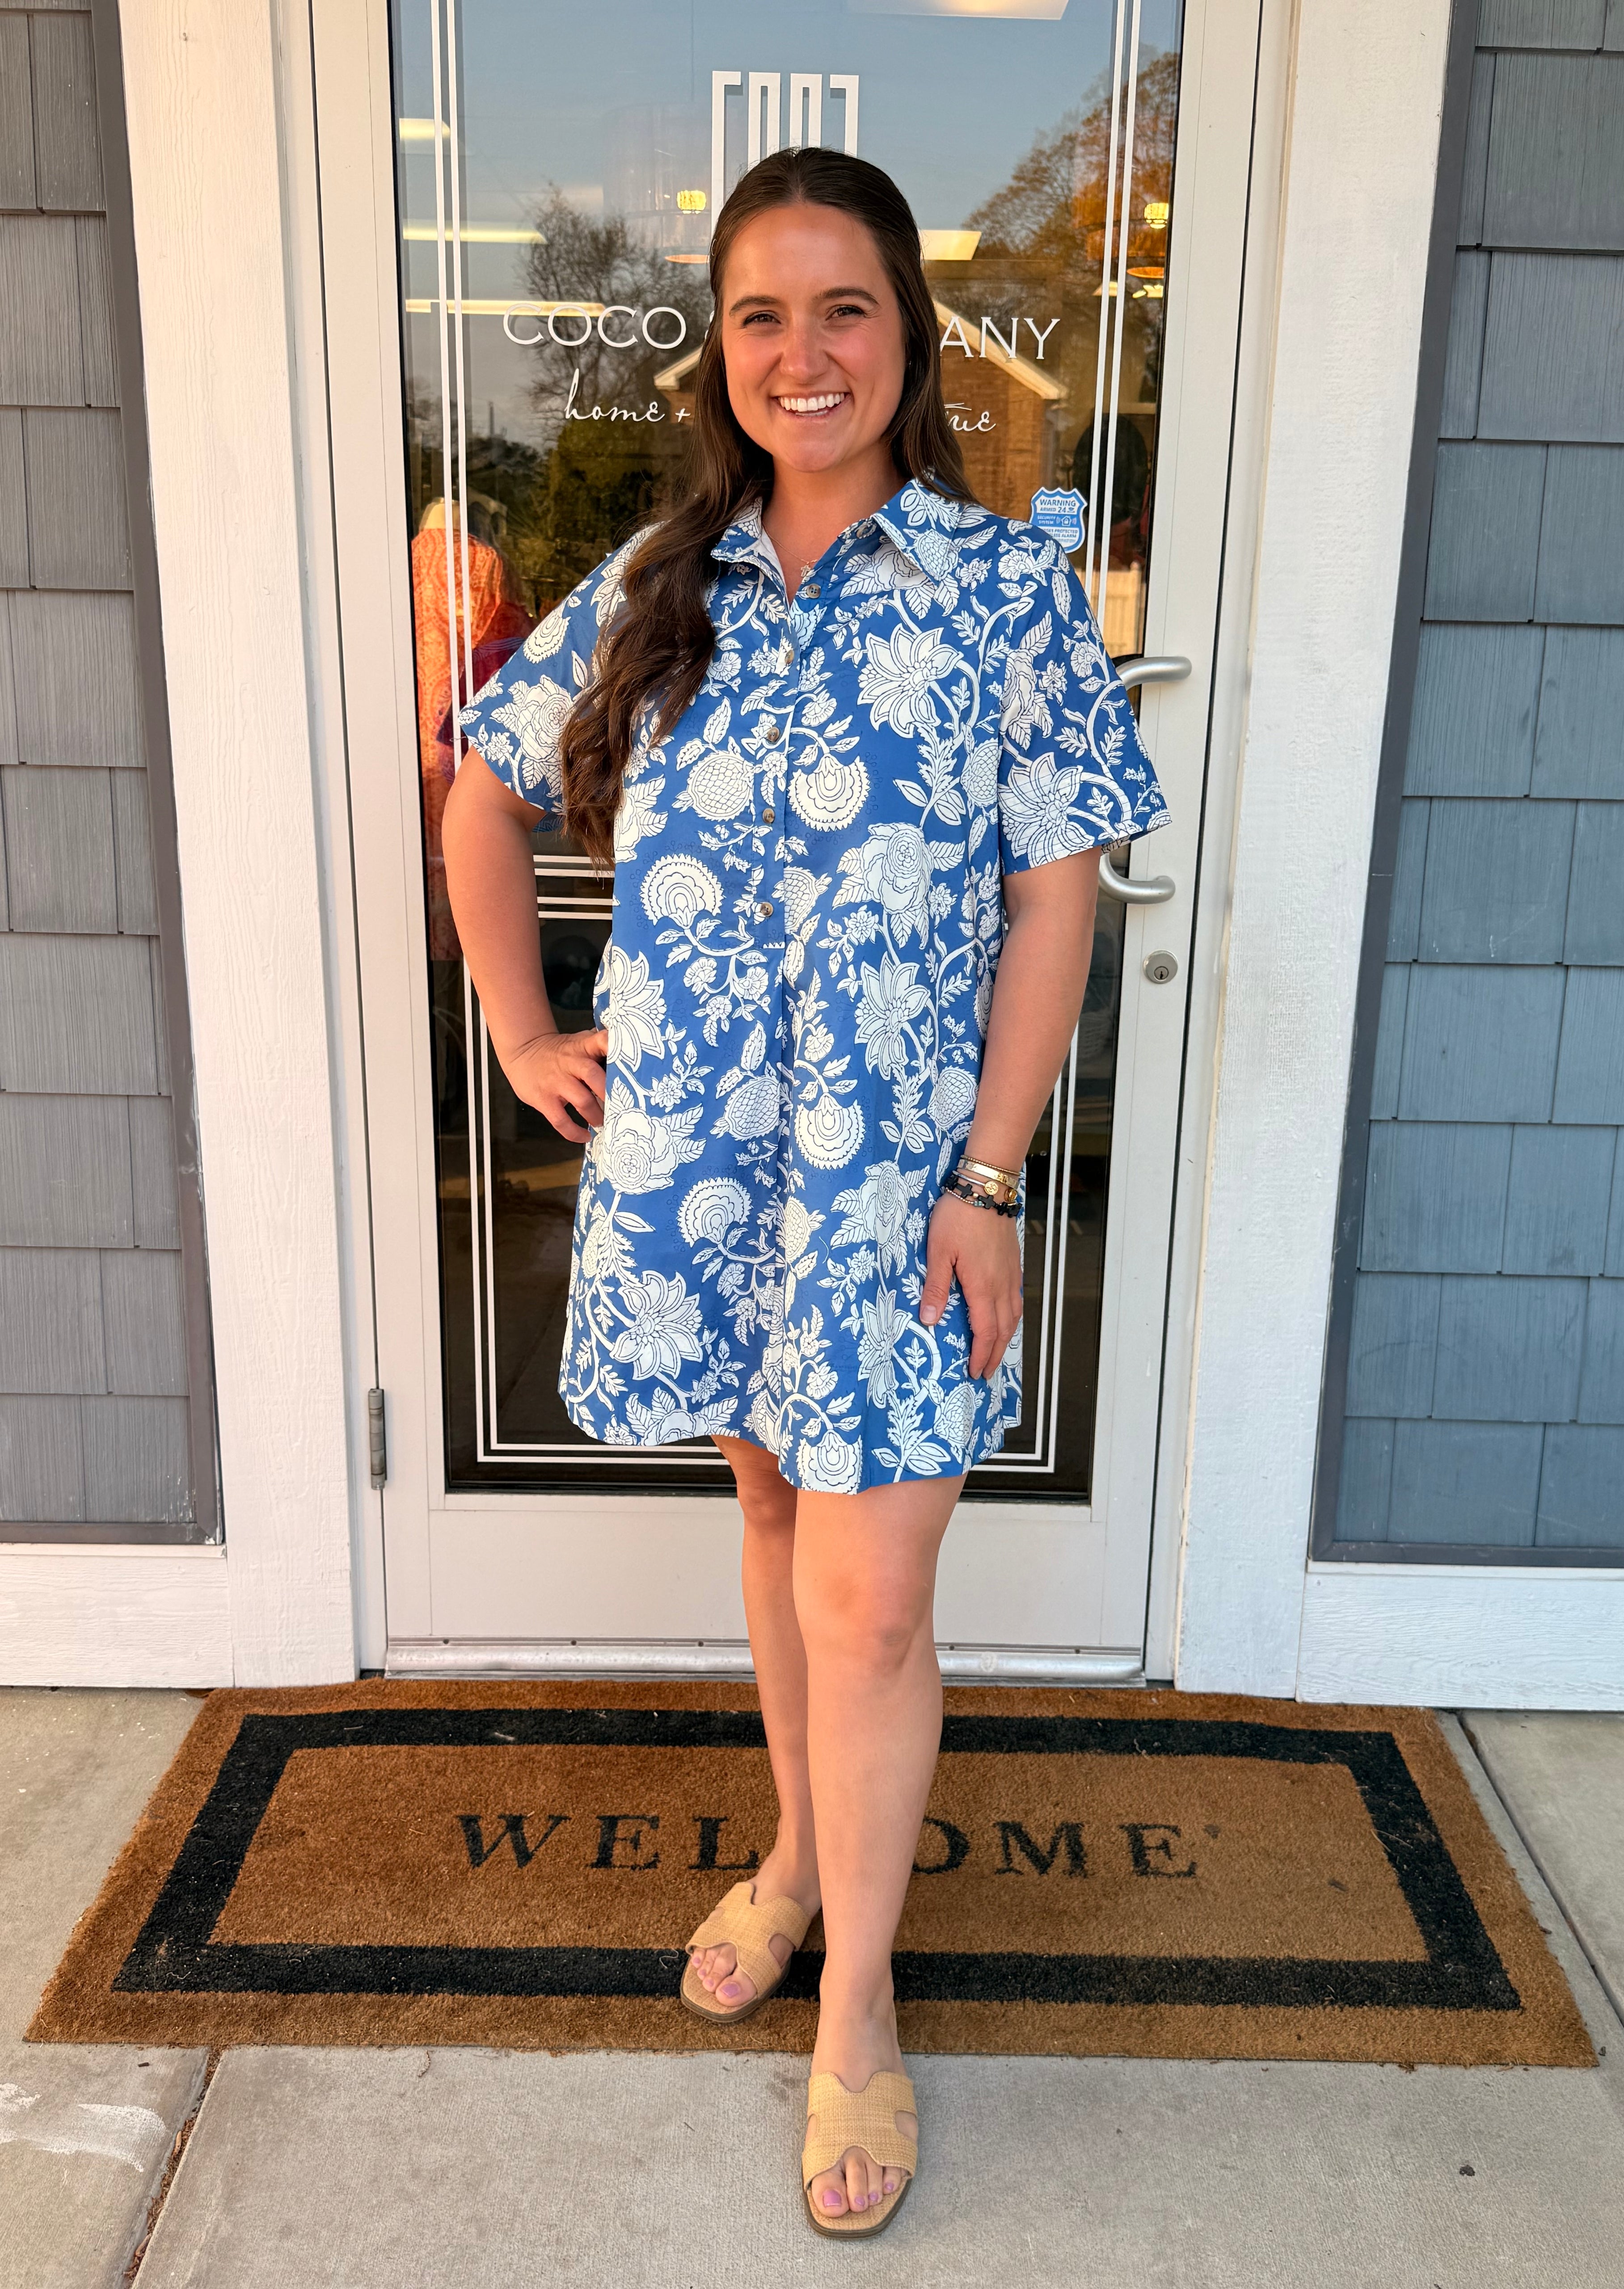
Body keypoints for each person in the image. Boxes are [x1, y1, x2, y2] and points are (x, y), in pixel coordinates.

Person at [443, 145, 1165, 2239]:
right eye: (761, 315)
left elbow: (1059, 893)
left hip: (899, 1188)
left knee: (874, 1596)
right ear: (724, 356)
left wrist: (997, 1175)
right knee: (770, 1518)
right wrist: (519, 1025)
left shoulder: (1001, 584)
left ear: (908, 340)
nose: (803, 352)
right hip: (701, 1181)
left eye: (843, 308)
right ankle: (789, 1850)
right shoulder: (664, 583)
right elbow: (480, 786)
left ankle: (856, 2002)